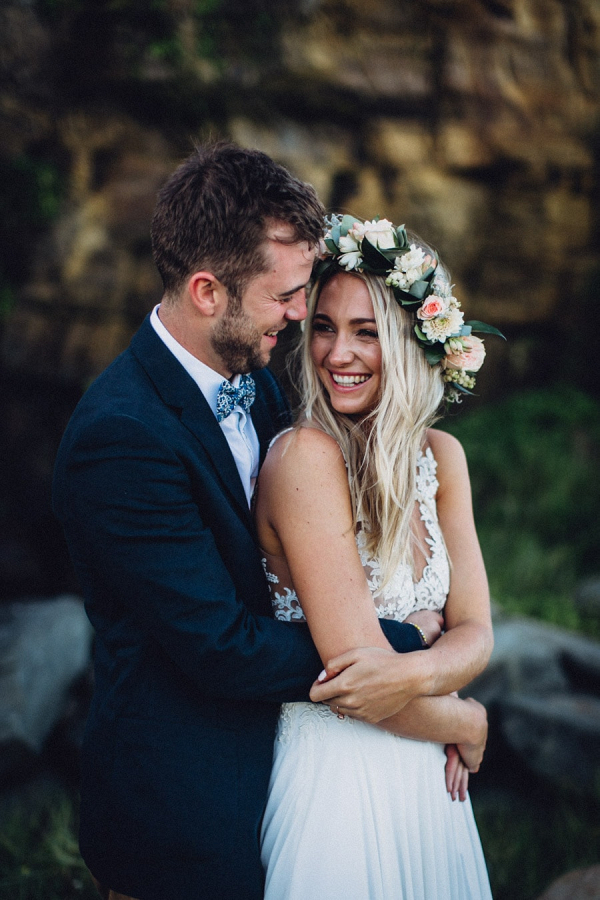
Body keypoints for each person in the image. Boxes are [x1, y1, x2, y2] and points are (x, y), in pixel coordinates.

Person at [53, 146, 448, 900]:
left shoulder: (260, 384)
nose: (302, 316)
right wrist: (400, 637)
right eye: (287, 296)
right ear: (207, 291)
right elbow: (223, 648)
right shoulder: (120, 436)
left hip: (292, 777)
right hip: (181, 806)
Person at [257, 215, 499, 898]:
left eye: (367, 331)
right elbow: (354, 683)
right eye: (325, 327)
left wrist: (421, 656)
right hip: (337, 782)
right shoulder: (304, 458)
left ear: (412, 339)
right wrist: (465, 717)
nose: (339, 353)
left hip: (427, 785)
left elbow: (478, 632)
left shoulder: (443, 459)